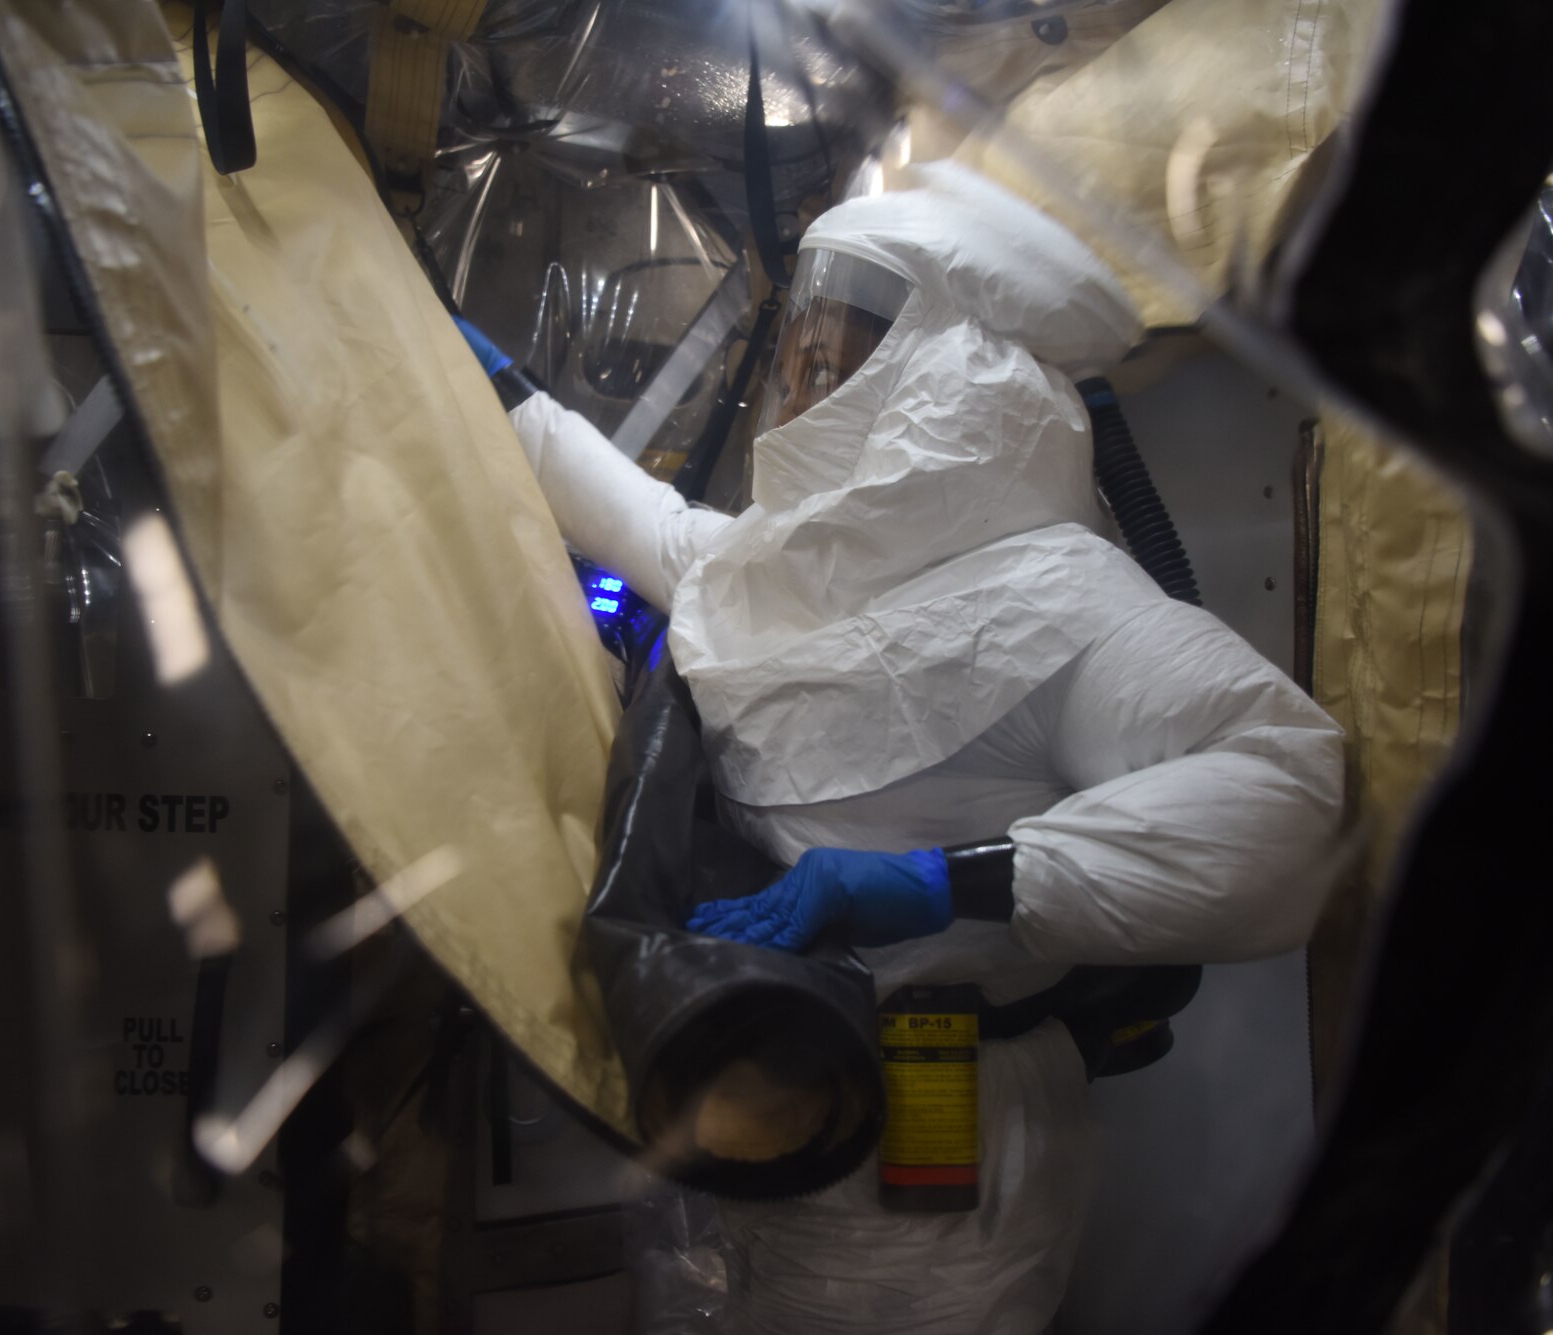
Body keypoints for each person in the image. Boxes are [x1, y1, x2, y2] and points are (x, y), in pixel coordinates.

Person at [456, 160, 1344, 1334]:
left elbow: (1293, 795)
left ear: (940, 369)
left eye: (836, 356)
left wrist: (946, 886)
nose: (800, 385)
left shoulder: (1066, 598)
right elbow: (643, 522)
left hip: (952, 1122)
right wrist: (485, 378)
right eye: (797, 354)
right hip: (766, 1087)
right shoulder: (778, 568)